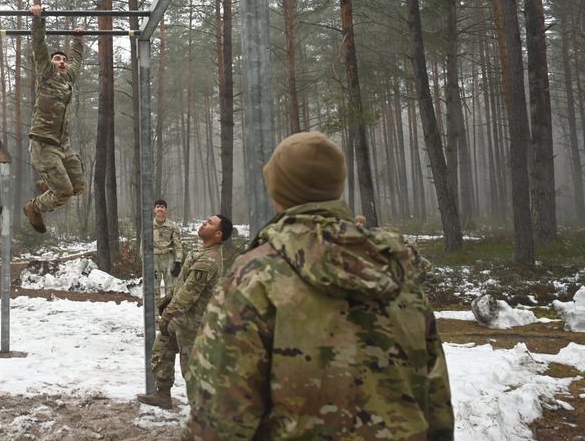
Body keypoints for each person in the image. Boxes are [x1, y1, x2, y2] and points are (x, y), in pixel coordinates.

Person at [182, 132, 454, 440]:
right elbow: (436, 404)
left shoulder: (254, 277)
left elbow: (219, 421)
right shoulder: (396, 269)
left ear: (277, 190)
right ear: (336, 187)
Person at [137, 213, 233, 410]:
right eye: (205, 219)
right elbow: (183, 281)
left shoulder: (209, 260)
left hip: (193, 322)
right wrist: (169, 296)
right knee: (161, 351)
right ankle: (163, 395)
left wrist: (168, 314)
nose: (204, 222)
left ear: (218, 234)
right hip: (180, 319)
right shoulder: (200, 252)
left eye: (210, 223)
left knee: (191, 369)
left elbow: (189, 293)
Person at [22, 3, 86, 233]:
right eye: (57, 59)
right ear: (50, 64)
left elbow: (77, 61)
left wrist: (77, 41)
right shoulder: (47, 75)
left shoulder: (68, 79)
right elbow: (39, 47)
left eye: (63, 60)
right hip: (43, 144)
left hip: (63, 145)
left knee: (79, 186)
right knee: (64, 192)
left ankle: (47, 185)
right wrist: (38, 20)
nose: (61, 62)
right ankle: (34, 208)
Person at [152, 199, 183, 298]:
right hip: (153, 258)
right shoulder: (148, 226)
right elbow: (143, 245)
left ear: (166, 210)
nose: (159, 209)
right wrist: (144, 261)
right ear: (154, 209)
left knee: (171, 289)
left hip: (168, 258)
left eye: (162, 207)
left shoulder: (172, 226)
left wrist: (178, 262)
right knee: (153, 289)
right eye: (157, 207)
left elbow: (177, 245)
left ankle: (168, 313)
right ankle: (155, 313)